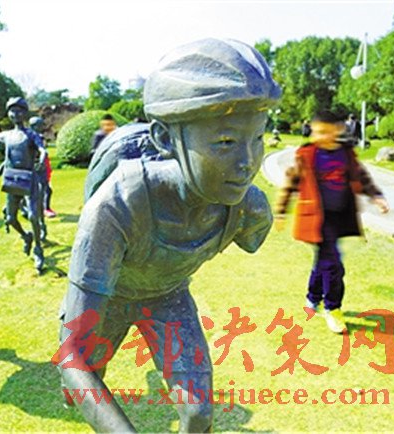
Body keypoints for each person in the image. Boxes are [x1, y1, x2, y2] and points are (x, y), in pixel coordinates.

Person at [54, 39, 281, 432]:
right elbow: (72, 354)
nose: (247, 163)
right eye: (226, 142)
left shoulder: (246, 208)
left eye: (257, 138)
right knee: (81, 380)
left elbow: (253, 238)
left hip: (168, 298)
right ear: (163, 138)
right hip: (108, 299)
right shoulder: (117, 206)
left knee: (198, 413)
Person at [274, 110, 389, 333]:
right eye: (317, 132)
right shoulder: (306, 154)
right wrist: (280, 212)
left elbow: (361, 176)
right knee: (333, 264)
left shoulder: (346, 154)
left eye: (326, 132)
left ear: (338, 130)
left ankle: (312, 297)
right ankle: (332, 308)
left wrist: (376, 196)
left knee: (324, 261)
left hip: (341, 217)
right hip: (317, 219)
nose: (321, 136)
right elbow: (291, 183)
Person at [0, 98, 47, 273]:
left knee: (33, 216)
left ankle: (38, 249)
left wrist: (42, 157)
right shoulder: (6, 135)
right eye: (12, 111)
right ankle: (26, 236)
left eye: (19, 111)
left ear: (25, 113)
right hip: (12, 179)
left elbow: (42, 149)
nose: (15, 114)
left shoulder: (31, 135)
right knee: (11, 219)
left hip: (29, 179)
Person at [29, 116, 57, 219]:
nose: (42, 127)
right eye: (40, 125)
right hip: (36, 166)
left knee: (45, 189)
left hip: (41, 166)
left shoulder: (37, 137)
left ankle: (43, 209)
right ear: (34, 126)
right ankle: (44, 209)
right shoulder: (32, 138)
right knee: (43, 190)